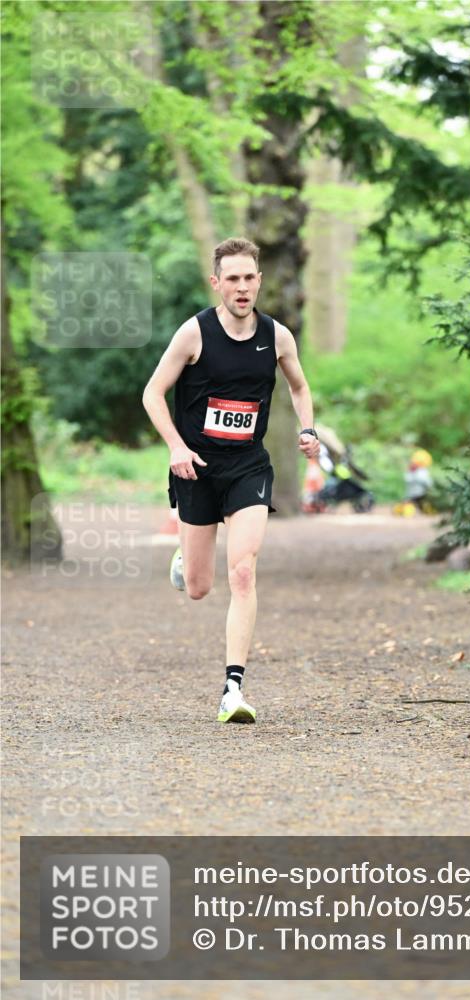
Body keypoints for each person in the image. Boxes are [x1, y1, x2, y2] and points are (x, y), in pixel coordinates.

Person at [142, 237, 319, 724]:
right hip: (195, 468)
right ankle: (187, 550)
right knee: (199, 587)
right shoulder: (193, 335)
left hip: (248, 467)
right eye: (232, 279)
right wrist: (177, 446)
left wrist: (307, 429)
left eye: (249, 278)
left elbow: (300, 387)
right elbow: (152, 394)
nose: (242, 288)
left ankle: (233, 688)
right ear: (217, 283)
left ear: (259, 281)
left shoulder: (278, 336)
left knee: (243, 572)